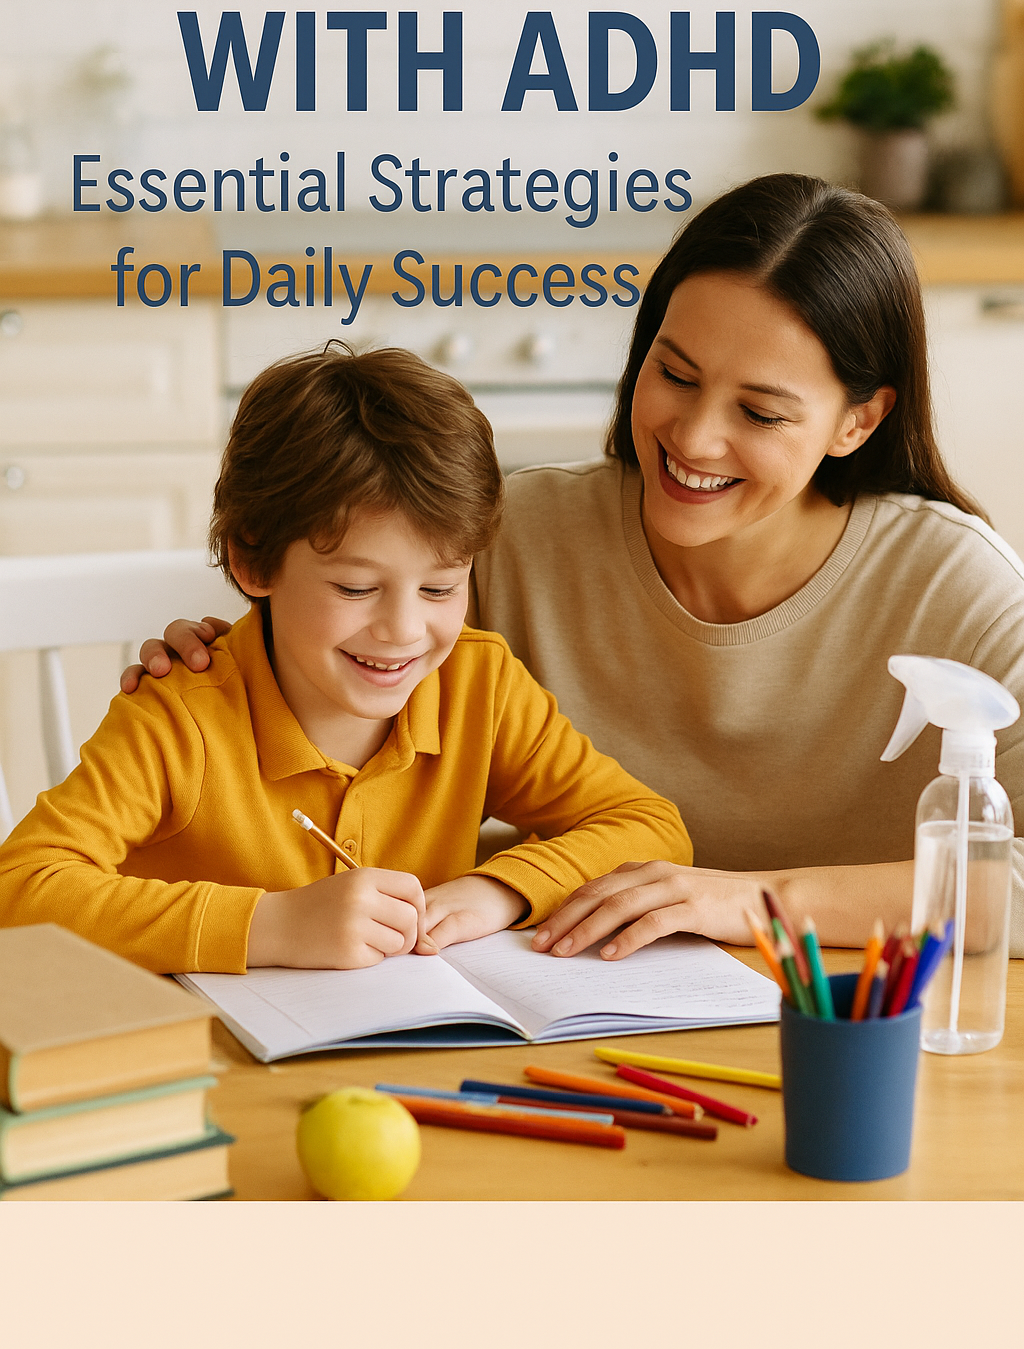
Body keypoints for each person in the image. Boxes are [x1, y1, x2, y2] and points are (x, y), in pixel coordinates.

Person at [122, 174, 1024, 961]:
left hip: (862, 1029)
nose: (694, 436)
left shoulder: (956, 587)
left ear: (857, 422)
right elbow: (333, 651)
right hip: (559, 1022)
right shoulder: (514, 540)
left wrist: (745, 900)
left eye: (759, 411)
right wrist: (237, 661)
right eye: (674, 373)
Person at [0, 347, 689, 974]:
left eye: (441, 586)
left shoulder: (478, 685)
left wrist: (500, 888)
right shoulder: (181, 714)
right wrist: (266, 926)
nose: (403, 629)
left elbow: (649, 827)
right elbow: (20, 891)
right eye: (357, 588)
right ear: (252, 559)